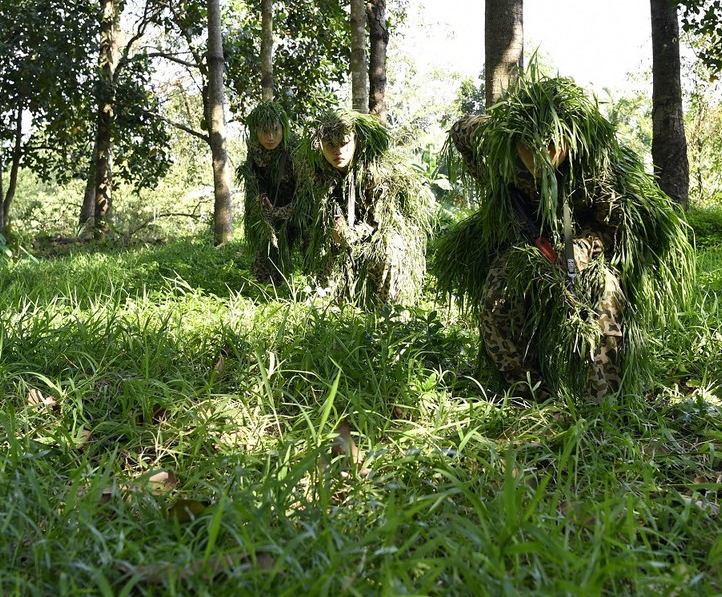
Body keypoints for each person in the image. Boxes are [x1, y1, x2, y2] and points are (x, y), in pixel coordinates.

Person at [435, 72, 692, 402]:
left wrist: (583, 249)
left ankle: (601, 405)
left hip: (581, 247)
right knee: (495, 303)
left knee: (607, 298)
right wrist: (485, 171)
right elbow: (461, 129)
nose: (542, 157)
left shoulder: (594, 169)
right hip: (523, 244)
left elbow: (612, 229)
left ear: (569, 141)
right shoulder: (499, 142)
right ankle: (530, 398)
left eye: (552, 147)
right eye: (530, 148)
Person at [293, 108, 434, 306]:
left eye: (344, 144)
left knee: (388, 252)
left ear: (356, 142)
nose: (338, 151)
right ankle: (332, 304)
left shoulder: (375, 172)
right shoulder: (318, 171)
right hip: (343, 229)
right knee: (319, 247)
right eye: (330, 145)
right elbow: (324, 203)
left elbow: (377, 220)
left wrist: (349, 234)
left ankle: (386, 311)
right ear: (320, 146)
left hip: (381, 230)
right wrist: (336, 223)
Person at [238, 101, 298, 283]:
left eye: (275, 130)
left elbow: (306, 195)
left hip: (296, 209)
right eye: (264, 132)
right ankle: (267, 289)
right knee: (263, 258)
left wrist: (280, 212)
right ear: (256, 132)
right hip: (270, 207)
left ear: (283, 128)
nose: (270, 137)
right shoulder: (255, 149)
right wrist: (260, 198)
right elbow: (255, 177)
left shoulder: (296, 149)